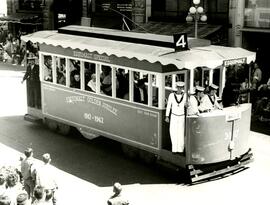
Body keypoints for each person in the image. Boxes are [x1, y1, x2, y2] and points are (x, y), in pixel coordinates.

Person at [165, 81, 187, 153]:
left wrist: (187, 105)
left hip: (181, 116)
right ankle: (174, 149)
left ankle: (180, 149)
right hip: (174, 116)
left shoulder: (185, 95)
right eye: (178, 88)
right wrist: (167, 116)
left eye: (181, 88)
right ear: (177, 88)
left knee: (180, 133)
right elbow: (168, 106)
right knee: (173, 132)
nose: (180, 89)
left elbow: (187, 106)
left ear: (183, 88)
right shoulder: (171, 95)